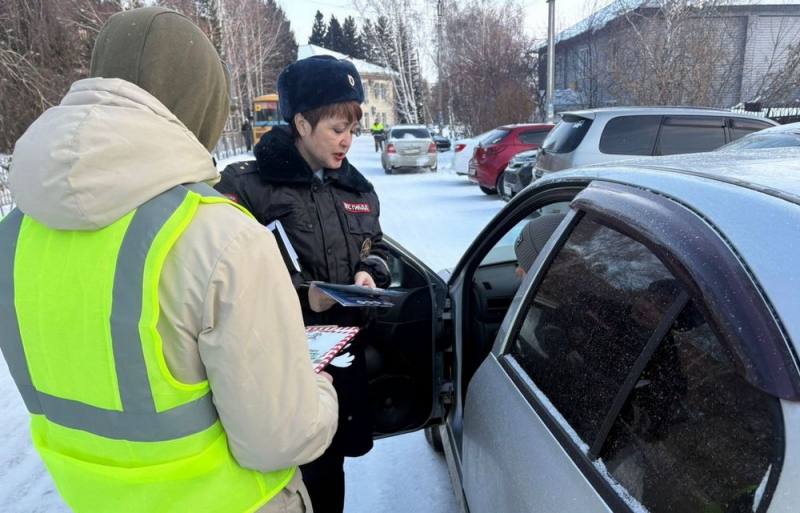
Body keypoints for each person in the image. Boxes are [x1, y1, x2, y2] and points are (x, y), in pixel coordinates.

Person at [0, 8, 337, 513]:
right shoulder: (221, 238)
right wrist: (320, 393)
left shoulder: (14, 236)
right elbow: (278, 439)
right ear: (201, 108)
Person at [216, 55, 391, 513]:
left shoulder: (357, 190)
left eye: (353, 128)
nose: (348, 141)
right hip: (279, 370)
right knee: (285, 480)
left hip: (342, 359)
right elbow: (221, 280)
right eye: (337, 129)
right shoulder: (247, 187)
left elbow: (378, 246)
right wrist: (301, 295)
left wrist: (370, 270)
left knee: (331, 471)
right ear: (301, 123)